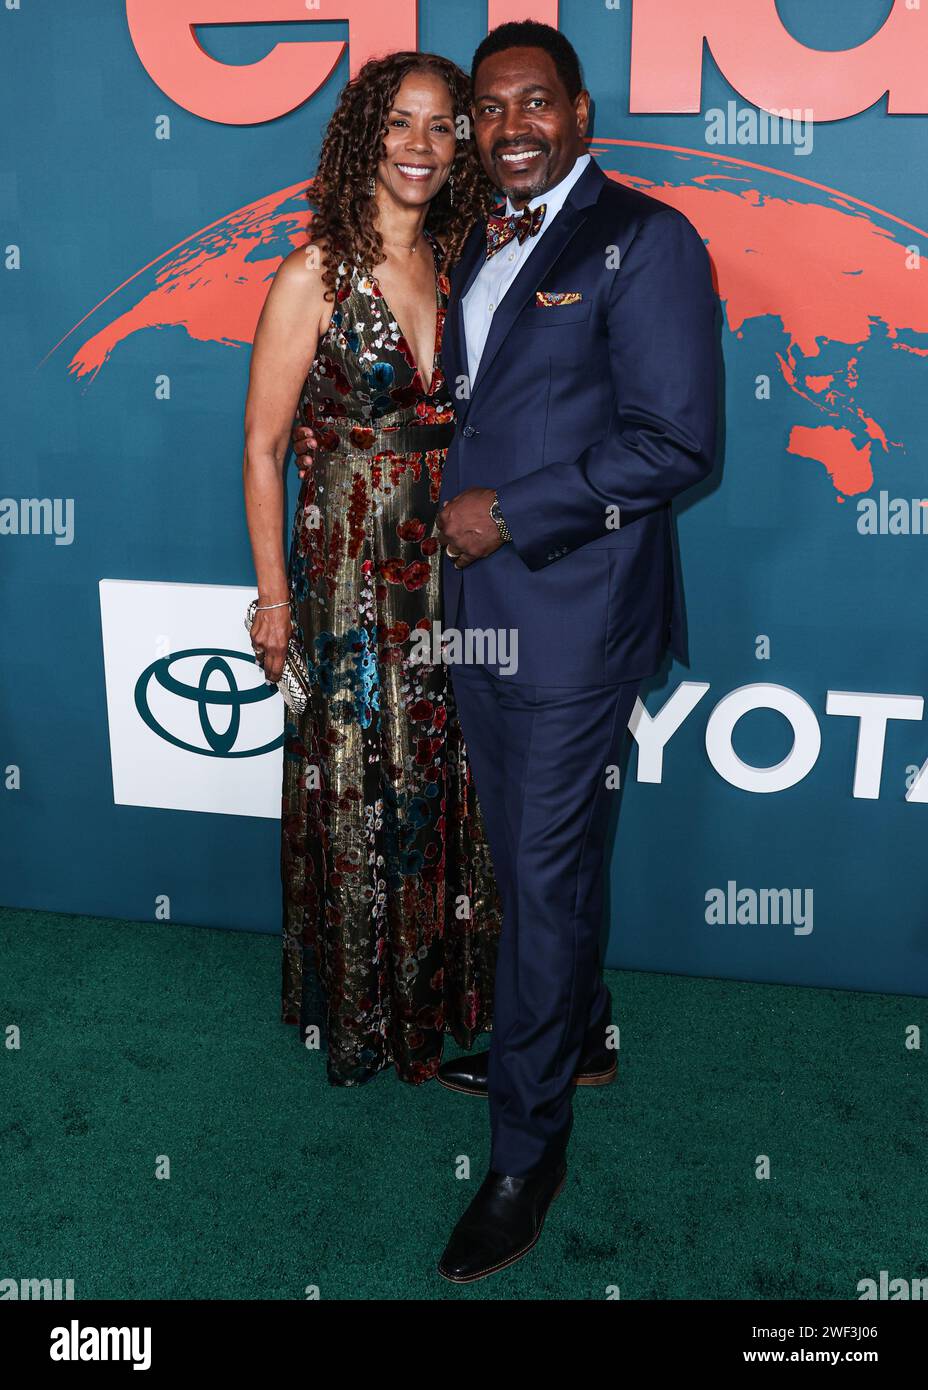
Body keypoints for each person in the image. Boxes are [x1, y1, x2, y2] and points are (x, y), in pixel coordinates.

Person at [430, 21, 720, 1280]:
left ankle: (523, 1150)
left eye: (533, 102)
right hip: (481, 616)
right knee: (528, 854)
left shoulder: (645, 240)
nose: (510, 126)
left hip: (576, 620)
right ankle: (580, 1032)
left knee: (541, 878)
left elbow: (677, 444)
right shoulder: (468, 240)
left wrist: (510, 509)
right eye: (489, 109)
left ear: (582, 112)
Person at [242, 52, 501, 1088]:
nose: (422, 147)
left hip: (454, 563)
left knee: (446, 774)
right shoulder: (313, 275)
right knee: (355, 772)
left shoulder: (467, 264)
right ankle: (361, 1013)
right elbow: (263, 447)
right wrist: (272, 602)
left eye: (443, 128)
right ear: (364, 137)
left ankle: (440, 1006)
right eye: (400, 123)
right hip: (348, 562)